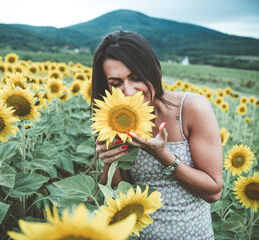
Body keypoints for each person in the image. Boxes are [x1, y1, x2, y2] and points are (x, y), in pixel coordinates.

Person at [91, 29, 223, 239]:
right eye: (116, 84)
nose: (129, 91)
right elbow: (117, 194)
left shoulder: (191, 109)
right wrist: (109, 157)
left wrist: (164, 156)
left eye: (136, 77)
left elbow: (214, 191)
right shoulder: (113, 120)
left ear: (154, 71)